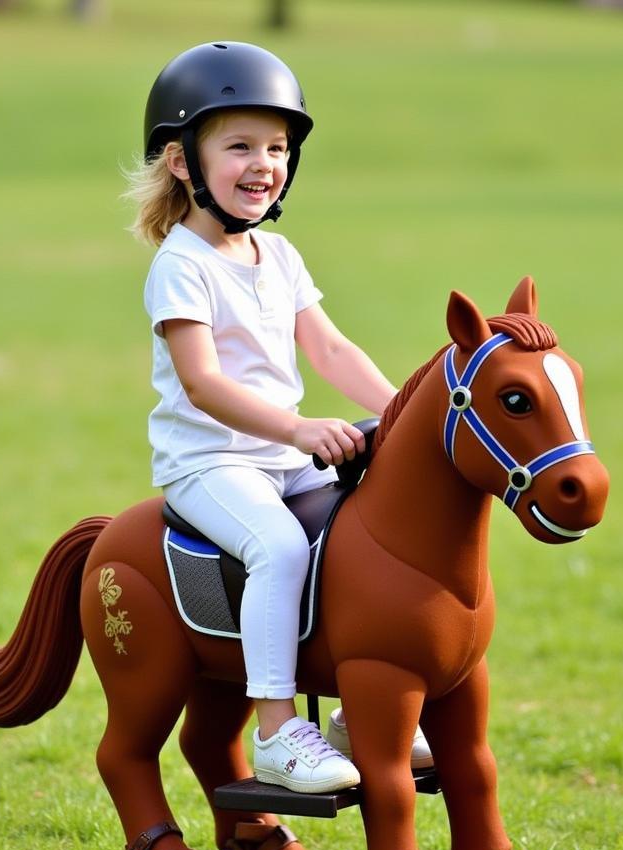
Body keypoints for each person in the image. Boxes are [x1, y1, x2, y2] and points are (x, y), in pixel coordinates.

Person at [127, 41, 428, 793]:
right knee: (280, 548)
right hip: (213, 461)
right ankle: (273, 730)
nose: (264, 163)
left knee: (364, 531)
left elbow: (327, 347)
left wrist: (397, 414)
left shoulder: (280, 254)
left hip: (278, 457)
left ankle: (356, 714)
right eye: (240, 146)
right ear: (180, 161)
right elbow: (200, 383)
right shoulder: (182, 265)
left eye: (277, 147)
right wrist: (297, 430)